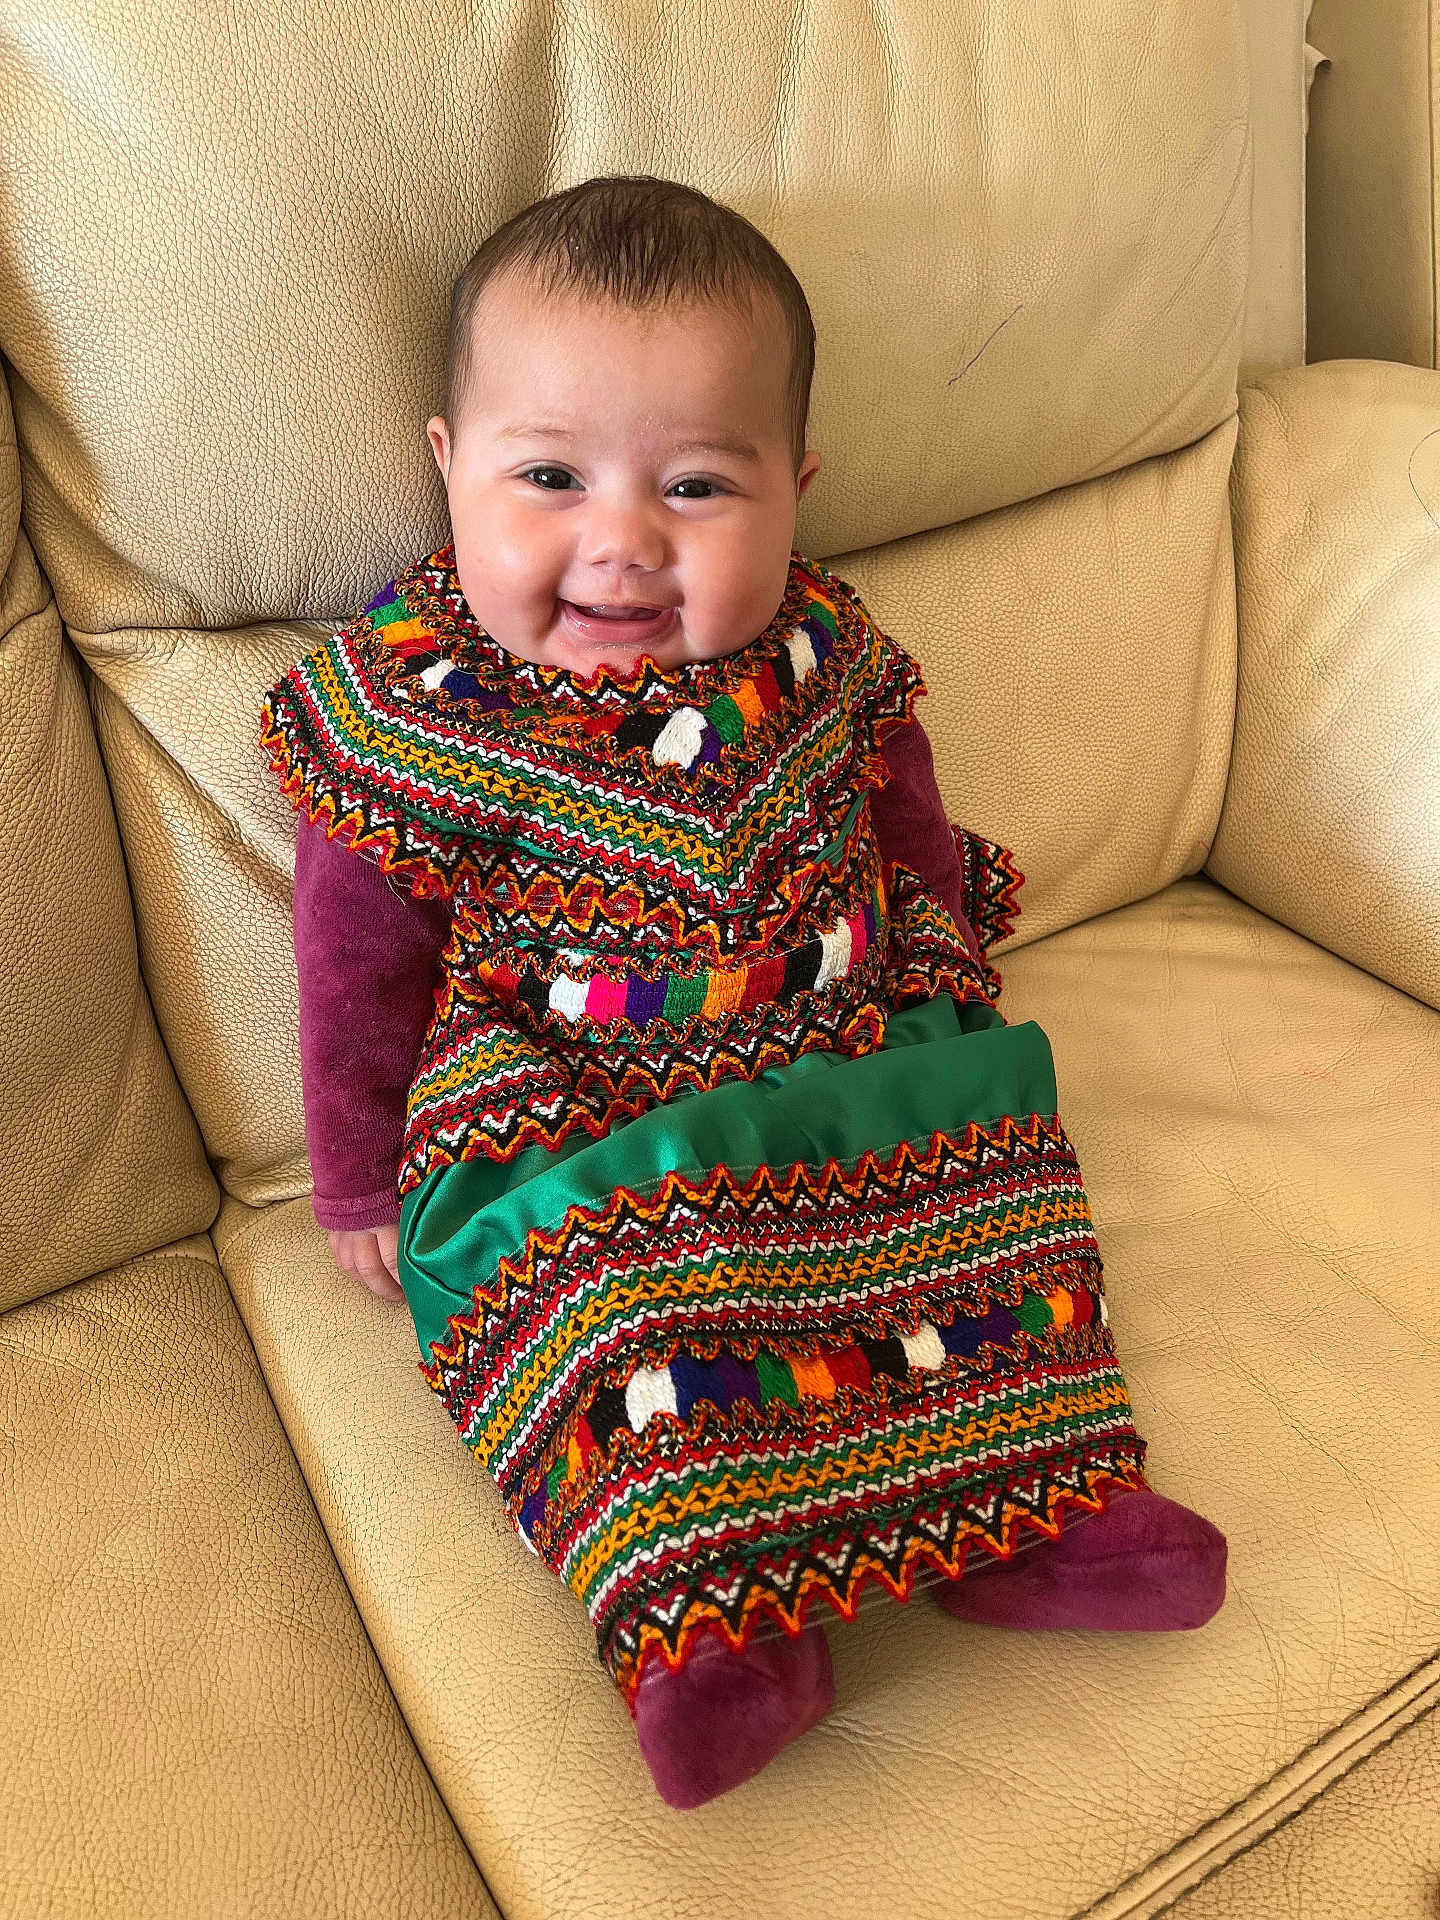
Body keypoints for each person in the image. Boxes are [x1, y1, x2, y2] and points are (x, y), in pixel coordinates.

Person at [259, 174, 1226, 1811]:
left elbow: (902, 821)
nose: (622, 543)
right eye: (549, 477)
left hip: (839, 1036)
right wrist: (355, 1167)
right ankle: (704, 1615)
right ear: (449, 469)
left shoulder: (829, 654)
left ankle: (1035, 1495)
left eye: (698, 484)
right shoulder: (416, 706)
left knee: (995, 1202)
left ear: (795, 491)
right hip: (571, 1102)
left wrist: (950, 990)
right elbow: (354, 962)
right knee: (625, 1319)